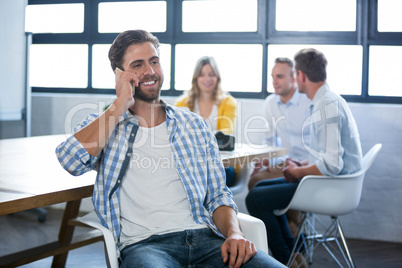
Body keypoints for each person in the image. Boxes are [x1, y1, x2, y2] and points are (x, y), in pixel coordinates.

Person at [56, 30, 284, 268]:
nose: (151, 71)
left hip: (208, 241)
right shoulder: (106, 124)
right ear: (119, 75)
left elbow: (218, 194)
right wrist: (119, 105)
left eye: (154, 61)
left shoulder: (194, 125)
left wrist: (234, 233)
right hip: (145, 247)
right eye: (138, 64)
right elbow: (70, 161)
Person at [246, 48, 363, 266]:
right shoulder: (326, 100)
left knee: (255, 199)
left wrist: (297, 171)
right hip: (328, 181)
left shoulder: (325, 105)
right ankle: (292, 257)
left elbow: (332, 165)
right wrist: (303, 164)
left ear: (300, 76)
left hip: (331, 186)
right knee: (260, 189)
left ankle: (284, 260)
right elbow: (327, 157)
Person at [176, 56, 238, 187]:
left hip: (221, 165)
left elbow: (224, 137)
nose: (207, 79)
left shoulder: (228, 103)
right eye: (202, 75)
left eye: (211, 74)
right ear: (196, 78)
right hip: (192, 163)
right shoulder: (182, 103)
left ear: (217, 78)